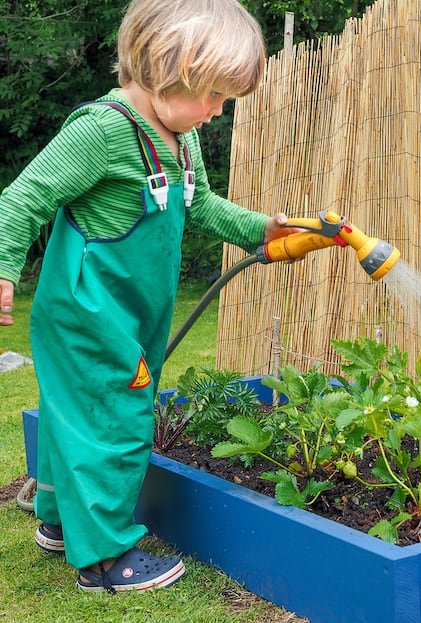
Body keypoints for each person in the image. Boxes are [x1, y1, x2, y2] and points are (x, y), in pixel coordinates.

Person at [0, 0, 292, 593]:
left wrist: (263, 230)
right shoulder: (102, 131)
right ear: (168, 68)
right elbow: (22, 199)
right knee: (114, 420)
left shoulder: (179, 140)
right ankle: (104, 559)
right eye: (212, 95)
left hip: (132, 313)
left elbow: (201, 205)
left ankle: (60, 524)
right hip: (88, 314)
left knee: (76, 417)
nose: (216, 112)